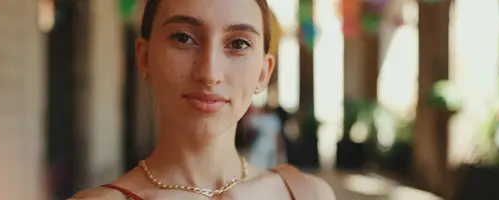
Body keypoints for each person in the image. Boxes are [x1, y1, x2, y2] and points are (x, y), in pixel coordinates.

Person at [70, 0, 335, 199]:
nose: (209, 74)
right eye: (183, 37)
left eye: (239, 44)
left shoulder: (307, 194)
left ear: (263, 73)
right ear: (144, 57)